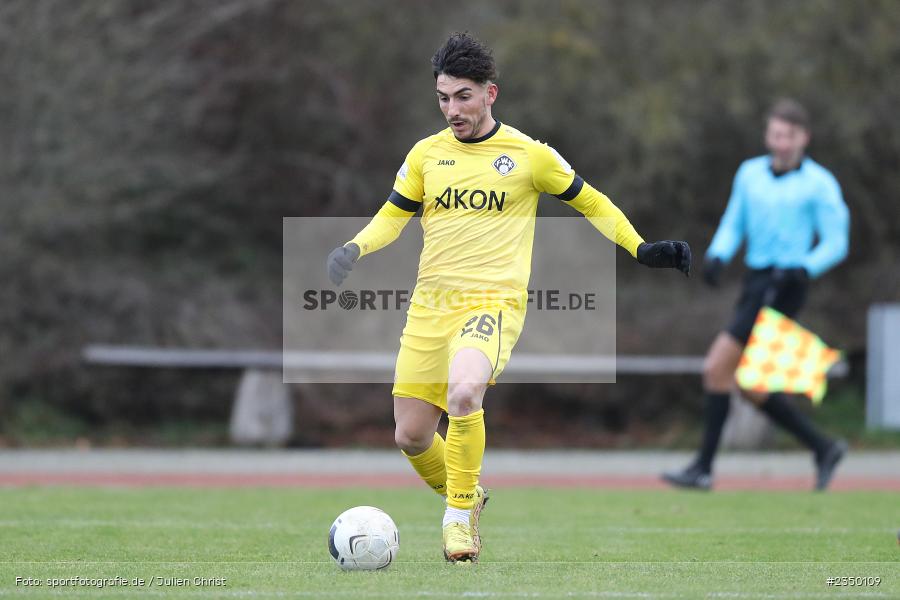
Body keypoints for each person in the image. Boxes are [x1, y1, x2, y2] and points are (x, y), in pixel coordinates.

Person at [327, 32, 691, 563]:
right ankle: (468, 497)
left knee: (464, 392)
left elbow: (593, 203)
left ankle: (456, 523)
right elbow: (393, 218)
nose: (452, 109)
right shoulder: (426, 155)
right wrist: (354, 248)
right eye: (443, 98)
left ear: (490, 94)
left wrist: (640, 248)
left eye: (464, 97)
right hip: (431, 306)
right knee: (410, 436)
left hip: (492, 304)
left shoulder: (529, 155)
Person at [662, 98, 850, 492]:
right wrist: (718, 254)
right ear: (769, 134)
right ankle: (824, 447)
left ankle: (703, 469)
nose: (782, 142)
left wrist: (806, 267)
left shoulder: (820, 183)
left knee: (716, 368)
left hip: (788, 285)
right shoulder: (750, 174)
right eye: (776, 134)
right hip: (756, 280)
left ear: (804, 138)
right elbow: (734, 221)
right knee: (748, 384)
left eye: (790, 136)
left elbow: (837, 241)